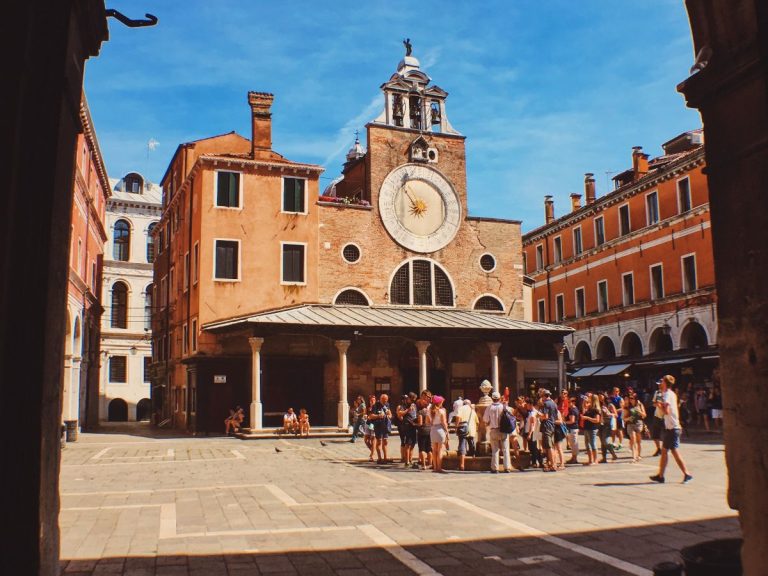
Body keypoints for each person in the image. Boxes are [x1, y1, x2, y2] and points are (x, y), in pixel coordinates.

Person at [650, 375, 693, 484]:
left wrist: (659, 405)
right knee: (668, 452)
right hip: (671, 428)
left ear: (665, 383)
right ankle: (662, 476)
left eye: (662, 381)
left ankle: (686, 474)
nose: (660, 383)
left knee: (670, 451)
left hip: (673, 428)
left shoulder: (668, 394)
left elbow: (667, 411)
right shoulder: (668, 394)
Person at [483, 391, 512, 473]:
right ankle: (507, 467)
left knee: (495, 450)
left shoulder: (489, 407)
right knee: (506, 449)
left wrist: (489, 422)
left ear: (492, 398)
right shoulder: (503, 407)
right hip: (503, 430)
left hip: (494, 430)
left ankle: (495, 468)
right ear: (499, 398)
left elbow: (485, 419)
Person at [537, 389, 560, 472]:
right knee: (552, 446)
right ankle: (553, 464)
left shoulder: (546, 404)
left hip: (546, 426)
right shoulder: (554, 404)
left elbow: (545, 416)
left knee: (548, 446)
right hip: (552, 426)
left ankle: (553, 465)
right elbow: (556, 416)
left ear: (544, 396)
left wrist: (539, 416)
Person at [428, 395, 449, 473]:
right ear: (439, 403)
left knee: (434, 450)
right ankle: (439, 468)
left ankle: (435, 467)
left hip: (433, 430)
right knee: (440, 450)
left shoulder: (429, 410)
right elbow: (444, 423)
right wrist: (447, 432)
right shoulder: (441, 411)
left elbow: (428, 421)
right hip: (440, 429)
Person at [397, 393, 418, 468]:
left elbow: (416, 414)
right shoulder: (404, 406)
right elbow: (399, 414)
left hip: (414, 426)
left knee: (413, 444)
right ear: (408, 398)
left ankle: (411, 459)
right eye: (411, 399)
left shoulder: (414, 405)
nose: (412, 400)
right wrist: (407, 410)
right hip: (407, 426)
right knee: (407, 444)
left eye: (414, 399)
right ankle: (407, 461)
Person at [624, 394, 646, 463]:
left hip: (638, 424)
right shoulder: (628, 406)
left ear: (636, 399)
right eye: (630, 398)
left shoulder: (639, 405)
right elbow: (624, 418)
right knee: (633, 440)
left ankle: (639, 455)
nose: (631, 399)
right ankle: (634, 457)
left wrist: (638, 411)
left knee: (638, 441)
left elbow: (644, 415)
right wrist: (628, 418)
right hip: (630, 424)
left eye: (632, 398)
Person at [370, 393, 392, 464]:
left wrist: (389, 415)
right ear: (381, 399)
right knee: (379, 442)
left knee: (385, 442)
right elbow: (371, 416)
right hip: (378, 425)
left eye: (386, 400)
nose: (385, 402)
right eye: (384, 400)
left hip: (385, 425)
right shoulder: (375, 405)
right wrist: (379, 415)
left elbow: (390, 414)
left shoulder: (387, 405)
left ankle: (385, 458)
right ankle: (379, 458)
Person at [454, 399, 474, 471]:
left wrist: (456, 427)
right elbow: (477, 421)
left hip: (463, 429)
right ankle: (473, 463)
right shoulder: (472, 410)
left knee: (462, 445)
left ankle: (462, 464)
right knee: (471, 445)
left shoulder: (461, 408)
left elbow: (458, 417)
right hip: (471, 430)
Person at [598, 393, 618, 463]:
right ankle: (604, 458)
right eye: (599, 396)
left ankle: (613, 454)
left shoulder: (610, 405)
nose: (600, 397)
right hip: (601, 424)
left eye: (601, 396)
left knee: (605, 441)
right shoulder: (599, 405)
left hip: (607, 424)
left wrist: (609, 413)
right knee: (602, 442)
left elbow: (616, 415)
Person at [581, 396, 600, 465]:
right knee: (587, 444)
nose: (588, 399)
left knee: (593, 444)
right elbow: (584, 409)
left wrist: (587, 418)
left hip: (592, 428)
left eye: (590, 398)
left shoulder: (595, 409)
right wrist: (584, 402)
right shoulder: (589, 408)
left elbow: (597, 420)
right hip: (586, 428)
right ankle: (590, 460)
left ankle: (595, 460)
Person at [416, 397, 433, 470]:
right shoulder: (429, 411)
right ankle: (430, 464)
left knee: (422, 449)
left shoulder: (420, 412)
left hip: (422, 431)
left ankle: (424, 465)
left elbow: (420, 423)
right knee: (429, 448)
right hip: (429, 430)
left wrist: (414, 424)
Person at [565, 396, 580, 464]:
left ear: (573, 402)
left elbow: (572, 421)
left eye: (569, 402)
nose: (568, 403)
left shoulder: (572, 410)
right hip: (574, 428)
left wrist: (564, 422)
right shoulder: (575, 409)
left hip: (573, 428)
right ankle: (573, 458)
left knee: (574, 444)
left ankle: (575, 458)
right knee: (573, 444)